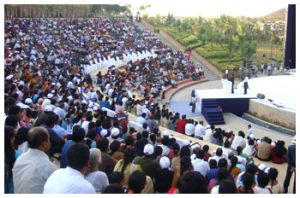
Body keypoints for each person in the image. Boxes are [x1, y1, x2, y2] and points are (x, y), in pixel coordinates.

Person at [12, 127, 57, 193]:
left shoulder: (19, 159)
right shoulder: (49, 167)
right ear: (44, 144)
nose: (50, 142)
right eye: (49, 140)